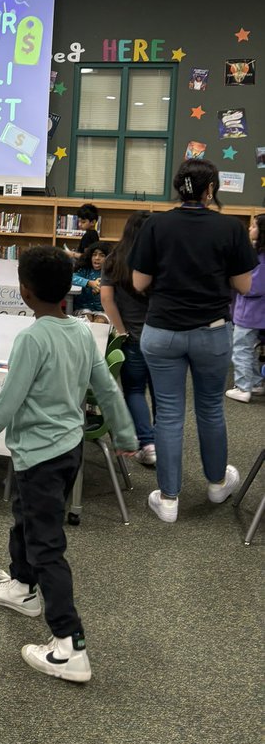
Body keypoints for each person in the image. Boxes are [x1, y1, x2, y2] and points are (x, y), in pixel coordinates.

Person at [0, 246, 137, 684]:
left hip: (40, 457)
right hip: (67, 450)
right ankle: (22, 586)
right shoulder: (80, 331)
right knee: (27, 519)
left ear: (24, 292)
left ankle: (69, 645)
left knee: (47, 546)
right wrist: (126, 435)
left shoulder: (32, 339)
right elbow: (107, 392)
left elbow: (6, 400)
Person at [131, 158, 257, 523]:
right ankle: (217, 483)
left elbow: (139, 283)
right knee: (211, 409)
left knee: (168, 413)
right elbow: (244, 285)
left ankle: (168, 499)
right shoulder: (229, 228)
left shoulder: (156, 224)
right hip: (212, 332)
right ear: (211, 189)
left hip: (162, 332)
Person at [100, 212, 156, 465]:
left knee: (134, 390)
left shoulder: (114, 259)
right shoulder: (161, 258)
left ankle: (148, 444)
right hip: (162, 336)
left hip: (132, 335)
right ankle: (165, 444)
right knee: (164, 395)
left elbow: (107, 299)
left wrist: (121, 330)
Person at [225, 212, 265, 402]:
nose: (250, 229)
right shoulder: (256, 253)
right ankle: (255, 383)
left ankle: (243, 387)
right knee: (250, 349)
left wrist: (235, 282)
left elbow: (252, 287)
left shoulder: (259, 257)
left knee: (241, 348)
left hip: (251, 313)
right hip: (255, 313)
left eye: (254, 226)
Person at [72, 242, 109, 321]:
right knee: (86, 320)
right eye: (94, 254)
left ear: (109, 258)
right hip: (82, 309)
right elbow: (71, 278)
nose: (97, 258)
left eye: (102, 255)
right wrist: (89, 283)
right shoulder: (85, 269)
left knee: (100, 322)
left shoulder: (111, 273)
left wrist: (101, 289)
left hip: (103, 311)